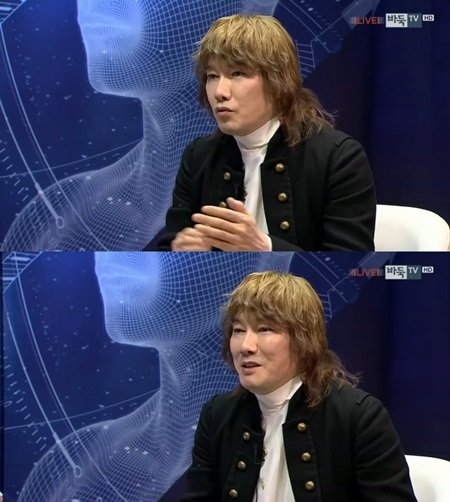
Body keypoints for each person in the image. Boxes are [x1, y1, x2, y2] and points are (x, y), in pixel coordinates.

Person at [182, 271, 417, 501]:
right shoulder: (218, 415)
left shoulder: (358, 418)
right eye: (238, 330)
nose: (245, 346)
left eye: (264, 329)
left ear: (303, 339)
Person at [151, 15, 376, 252]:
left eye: (238, 73)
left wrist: (265, 247)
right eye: (212, 76)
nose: (220, 92)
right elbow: (171, 241)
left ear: (278, 81)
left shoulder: (338, 158)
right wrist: (181, 249)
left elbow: (348, 260)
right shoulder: (199, 156)